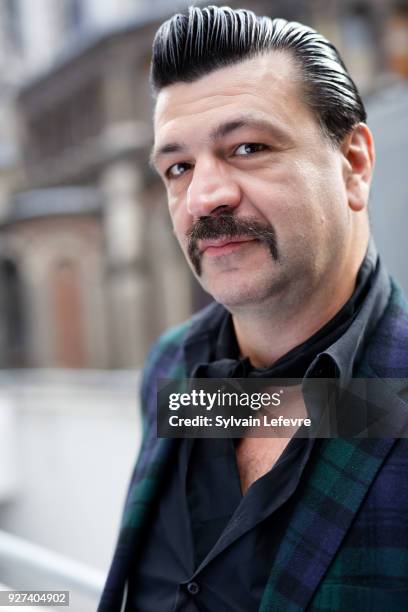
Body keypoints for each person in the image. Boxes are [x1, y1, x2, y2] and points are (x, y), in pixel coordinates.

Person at [98, 6, 408, 611]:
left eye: (247, 146)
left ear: (354, 164)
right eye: (179, 167)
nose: (205, 196)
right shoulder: (171, 369)